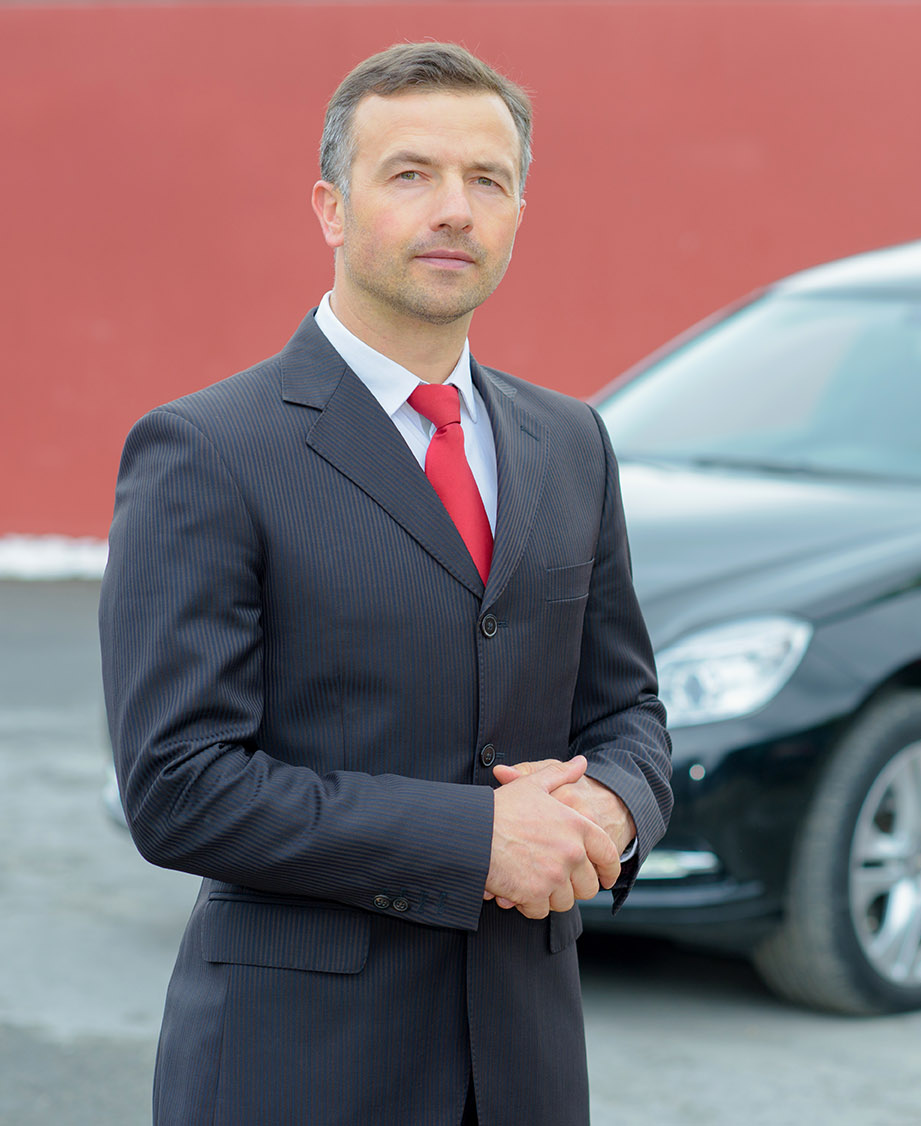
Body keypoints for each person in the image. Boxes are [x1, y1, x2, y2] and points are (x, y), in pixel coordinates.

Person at [98, 42, 672, 1126]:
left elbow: (627, 708)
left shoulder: (571, 442)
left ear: (518, 213)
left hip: (526, 1060)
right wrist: (478, 839)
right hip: (298, 1069)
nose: (454, 208)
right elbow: (179, 786)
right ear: (330, 206)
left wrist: (614, 806)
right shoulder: (207, 450)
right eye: (411, 173)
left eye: (487, 180)